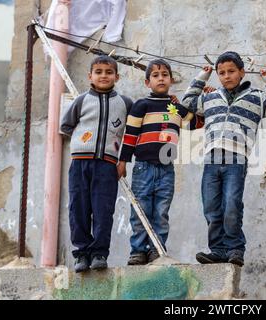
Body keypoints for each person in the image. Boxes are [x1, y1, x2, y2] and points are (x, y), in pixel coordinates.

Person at [182, 51, 266, 266]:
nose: (226, 76)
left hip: (236, 159)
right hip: (212, 159)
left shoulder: (257, 97)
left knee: (231, 204)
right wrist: (202, 76)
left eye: (231, 71)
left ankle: (235, 248)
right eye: (221, 73)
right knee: (211, 207)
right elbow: (187, 102)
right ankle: (218, 249)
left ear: (242, 72)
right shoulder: (211, 98)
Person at [117, 59, 203, 265]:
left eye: (165, 75)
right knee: (140, 209)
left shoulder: (173, 108)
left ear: (171, 80)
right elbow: (130, 135)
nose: (161, 78)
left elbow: (195, 123)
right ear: (148, 82)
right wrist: (123, 161)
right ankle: (138, 250)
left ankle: (157, 249)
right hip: (143, 166)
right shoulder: (142, 106)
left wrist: (192, 98)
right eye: (156, 76)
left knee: (161, 212)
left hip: (166, 169)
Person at [60, 55, 133, 272]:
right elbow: (66, 126)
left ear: (117, 77)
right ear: (90, 76)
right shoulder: (81, 100)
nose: (103, 76)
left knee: (103, 210)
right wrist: (84, 142)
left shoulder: (125, 103)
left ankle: (100, 253)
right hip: (80, 164)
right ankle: (82, 254)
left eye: (109, 72)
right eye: (99, 72)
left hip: (108, 166)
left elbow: (131, 134)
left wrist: (123, 161)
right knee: (78, 208)